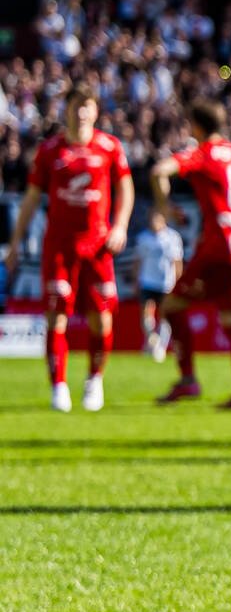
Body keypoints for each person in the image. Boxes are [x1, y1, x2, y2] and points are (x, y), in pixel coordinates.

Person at [6, 86, 134, 412]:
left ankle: (94, 380)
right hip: (60, 247)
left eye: (87, 106)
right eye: (76, 106)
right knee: (56, 317)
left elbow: (126, 188)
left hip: (98, 248)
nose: (81, 112)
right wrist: (16, 242)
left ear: (95, 111)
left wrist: (119, 226)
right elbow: (32, 198)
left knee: (101, 321)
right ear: (66, 110)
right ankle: (58, 385)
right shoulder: (50, 150)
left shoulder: (110, 147)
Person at [150, 100, 231, 408]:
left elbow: (160, 171)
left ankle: (188, 380)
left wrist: (165, 208)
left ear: (196, 127)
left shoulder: (203, 152)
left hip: (219, 245)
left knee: (171, 305)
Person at [134, 209, 185, 363]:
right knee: (145, 311)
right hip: (147, 281)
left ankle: (161, 346)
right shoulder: (143, 238)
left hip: (166, 283)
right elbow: (138, 261)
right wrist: (136, 280)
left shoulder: (172, 237)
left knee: (165, 314)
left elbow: (177, 262)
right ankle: (151, 339)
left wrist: (178, 281)